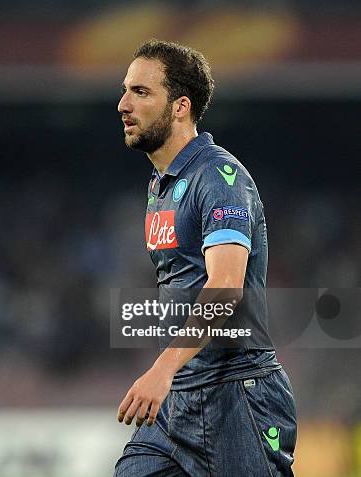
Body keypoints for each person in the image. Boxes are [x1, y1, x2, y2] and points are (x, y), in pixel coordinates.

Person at [114, 39, 297, 476]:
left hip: (237, 393)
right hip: (180, 398)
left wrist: (162, 368)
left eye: (141, 92)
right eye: (125, 90)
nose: (122, 104)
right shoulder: (161, 186)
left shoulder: (218, 177)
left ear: (180, 107)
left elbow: (226, 287)